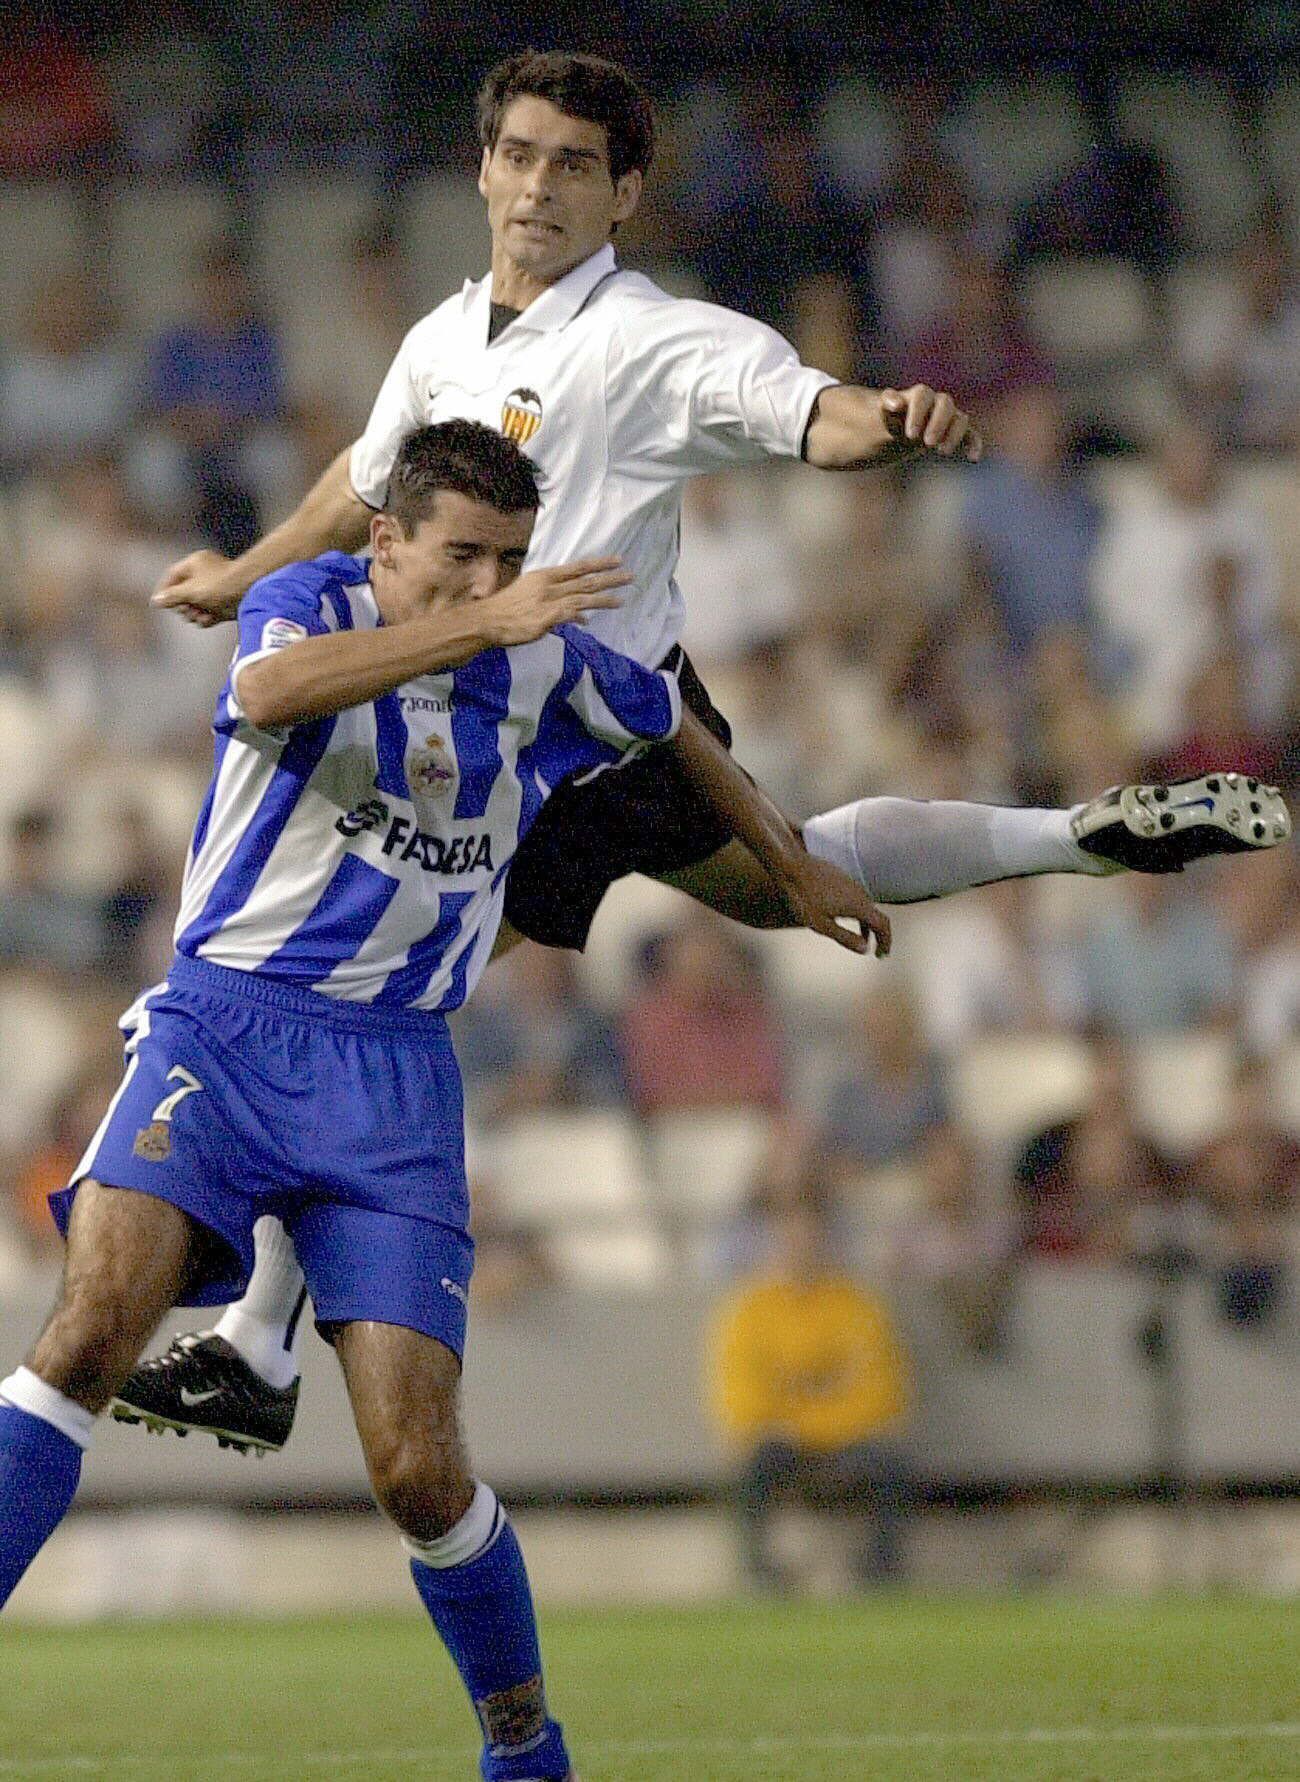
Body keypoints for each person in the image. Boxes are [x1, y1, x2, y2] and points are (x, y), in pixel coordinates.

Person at [133, 49, 1289, 1451]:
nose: (542, 185)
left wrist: (888, 419)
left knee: (343, 993)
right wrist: (240, 568)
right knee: (774, 872)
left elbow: (800, 406)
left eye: (577, 164)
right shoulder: (445, 340)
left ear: (626, 191)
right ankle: (1076, 836)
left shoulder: (648, 337)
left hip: (577, 738)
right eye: (523, 154)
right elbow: (368, 485)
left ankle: (257, 1340)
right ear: (484, 167)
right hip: (581, 729)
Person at [0, 419, 878, 1782]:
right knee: (89, 1334)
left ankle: (526, 1748)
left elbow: (673, 723)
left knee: (417, 1468)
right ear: (388, 538)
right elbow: (275, 692)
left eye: (509, 560)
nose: (486, 582)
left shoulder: (540, 659)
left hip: (395, 1077)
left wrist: (791, 862)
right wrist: (487, 626)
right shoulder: (311, 601)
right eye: (458, 555)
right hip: (225, 1029)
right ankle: (254, 1344)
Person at [707, 1192, 913, 1591]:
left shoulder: (857, 1306)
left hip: (846, 1439)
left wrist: (815, 1421)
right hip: (784, 1441)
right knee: (754, 1460)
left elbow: (883, 1391)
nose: (802, 1247)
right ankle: (758, 1573)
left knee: (889, 1464)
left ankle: (881, 1573)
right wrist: (808, 1418)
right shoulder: (750, 1310)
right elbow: (741, 1398)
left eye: (811, 1236)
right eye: (791, 1237)